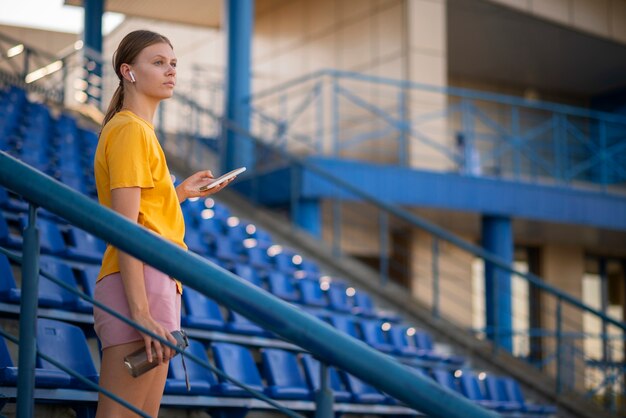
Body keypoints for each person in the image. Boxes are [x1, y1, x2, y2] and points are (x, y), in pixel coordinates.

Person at [93, 30, 234, 417]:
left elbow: (145, 214)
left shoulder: (141, 132)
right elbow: (126, 229)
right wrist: (139, 312)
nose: (170, 70)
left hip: (158, 282)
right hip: (138, 285)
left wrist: (180, 193)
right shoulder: (129, 130)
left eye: (173, 63)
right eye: (158, 62)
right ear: (129, 72)